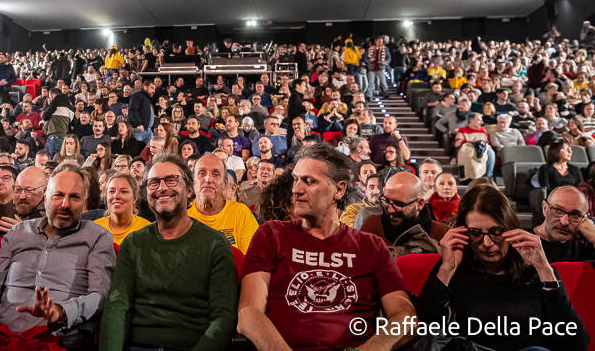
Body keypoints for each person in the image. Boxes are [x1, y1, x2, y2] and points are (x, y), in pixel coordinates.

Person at [237, 144, 414, 350]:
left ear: (339, 190)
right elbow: (248, 313)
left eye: (309, 181)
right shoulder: (271, 234)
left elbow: (405, 317)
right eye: (296, 179)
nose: (296, 190)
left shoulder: (371, 246)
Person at [0, 164, 115, 350]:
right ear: (46, 196)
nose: (65, 204)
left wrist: (62, 312)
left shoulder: (97, 237)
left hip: (56, 340)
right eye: (58, 195)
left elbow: (99, 295)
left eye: (74, 197)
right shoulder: (19, 232)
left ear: (85, 201)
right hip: (0, 337)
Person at [415, 184, 588, 351]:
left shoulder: (534, 270)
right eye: (475, 233)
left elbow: (577, 344)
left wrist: (545, 270)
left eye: (496, 232)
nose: (487, 243)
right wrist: (446, 270)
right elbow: (421, 328)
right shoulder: (454, 268)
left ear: (510, 227)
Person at [99, 155, 237, 350]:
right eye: (154, 182)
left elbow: (223, 317)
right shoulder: (133, 243)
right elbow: (117, 308)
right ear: (146, 193)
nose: (162, 188)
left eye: (171, 180)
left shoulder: (215, 243)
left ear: (189, 189)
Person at [360, 171, 449, 257]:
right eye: (386, 201)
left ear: (420, 204)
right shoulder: (371, 226)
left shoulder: (442, 234)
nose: (390, 210)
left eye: (398, 204)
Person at [187, 153, 258, 254]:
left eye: (215, 174)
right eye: (202, 173)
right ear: (193, 182)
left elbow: (252, 262)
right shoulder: (182, 217)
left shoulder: (241, 213)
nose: (208, 179)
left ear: (225, 184)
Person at [534, 186, 595, 263]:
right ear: (545, 209)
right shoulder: (522, 242)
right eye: (558, 211)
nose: (564, 222)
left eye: (575, 215)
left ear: (585, 218)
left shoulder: (585, 246)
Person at [0, 166, 47, 236]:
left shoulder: (50, 217)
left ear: (44, 191)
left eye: (29, 191)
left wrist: (23, 232)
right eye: (18, 190)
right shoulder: (5, 208)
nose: (22, 196)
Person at [94, 173, 150, 245]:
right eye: (111, 191)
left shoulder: (146, 230)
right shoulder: (94, 229)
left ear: (134, 198)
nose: (116, 196)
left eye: (123, 191)